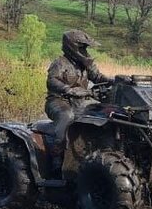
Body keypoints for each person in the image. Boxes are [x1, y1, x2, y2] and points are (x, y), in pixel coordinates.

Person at [45, 30, 109, 166]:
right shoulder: (60, 63)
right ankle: (57, 155)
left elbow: (98, 77)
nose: (84, 51)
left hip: (82, 102)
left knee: (105, 113)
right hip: (58, 101)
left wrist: (114, 81)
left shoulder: (86, 64)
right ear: (72, 47)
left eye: (85, 48)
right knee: (67, 116)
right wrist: (68, 89)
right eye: (82, 47)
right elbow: (52, 81)